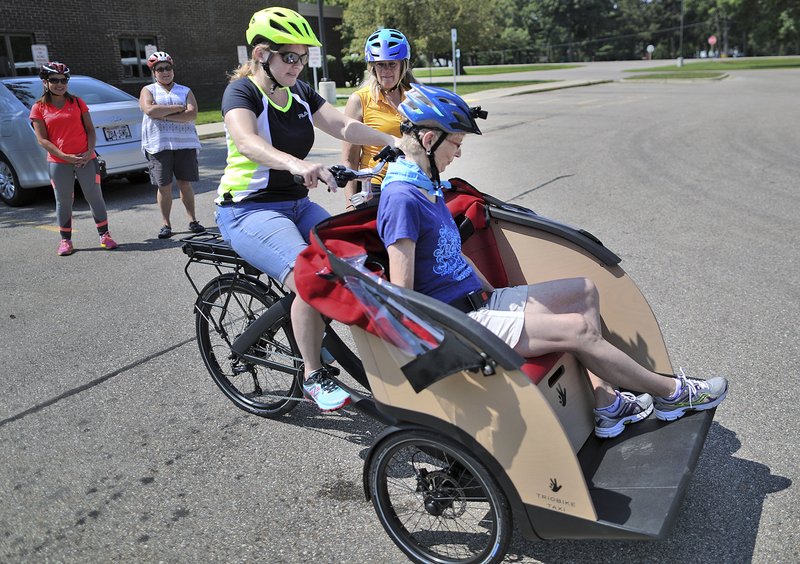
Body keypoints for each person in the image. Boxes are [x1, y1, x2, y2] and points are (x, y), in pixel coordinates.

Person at [376, 83, 729, 439]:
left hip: (478, 304)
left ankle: (608, 405)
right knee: (576, 328)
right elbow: (403, 296)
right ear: (428, 140)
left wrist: (498, 296)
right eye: (456, 144)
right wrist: (472, 327)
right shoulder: (402, 198)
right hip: (461, 325)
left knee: (584, 291)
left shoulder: (425, 184)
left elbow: (455, 255)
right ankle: (671, 395)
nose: (459, 154)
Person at [214, 7, 398, 411]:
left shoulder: (298, 91)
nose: (298, 65)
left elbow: (343, 126)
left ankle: (314, 330)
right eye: (290, 57)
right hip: (247, 210)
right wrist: (296, 163)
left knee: (360, 256)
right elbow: (246, 141)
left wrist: (396, 141)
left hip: (296, 205)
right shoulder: (242, 92)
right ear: (263, 54)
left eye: (302, 57)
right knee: (312, 277)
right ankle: (314, 373)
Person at [30, 62, 118, 256]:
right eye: (54, 80)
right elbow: (42, 139)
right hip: (59, 161)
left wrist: (89, 152)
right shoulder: (39, 107)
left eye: (63, 80)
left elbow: (90, 130)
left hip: (86, 159)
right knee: (63, 201)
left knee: (94, 196)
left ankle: (105, 235)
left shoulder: (77, 102)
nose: (60, 84)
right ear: (45, 82)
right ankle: (65, 241)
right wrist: (63, 156)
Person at [341, 28, 415, 210]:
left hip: (412, 182)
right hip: (375, 187)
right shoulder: (360, 100)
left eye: (392, 64)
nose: (386, 71)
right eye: (381, 64)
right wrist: (350, 204)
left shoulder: (415, 97)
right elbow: (350, 158)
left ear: (403, 65)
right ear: (372, 66)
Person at [139, 51, 205, 239]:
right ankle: (166, 224)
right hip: (158, 145)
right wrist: (178, 108)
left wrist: (163, 113)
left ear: (172, 70)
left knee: (185, 184)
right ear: (154, 72)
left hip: (185, 144)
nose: (165, 72)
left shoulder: (185, 90)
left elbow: (191, 114)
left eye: (168, 68)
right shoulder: (148, 90)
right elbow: (150, 109)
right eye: (160, 69)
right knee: (164, 186)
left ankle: (193, 220)